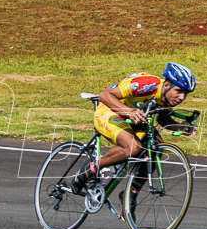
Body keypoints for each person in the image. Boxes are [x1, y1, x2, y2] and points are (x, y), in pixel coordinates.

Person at [71, 62, 197, 196]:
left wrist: (180, 126)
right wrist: (129, 112)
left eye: (186, 93)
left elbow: (163, 119)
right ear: (167, 85)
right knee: (133, 147)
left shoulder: (166, 97)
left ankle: (130, 195)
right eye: (179, 91)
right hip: (109, 111)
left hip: (134, 118)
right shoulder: (148, 84)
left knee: (156, 148)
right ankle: (90, 168)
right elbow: (105, 96)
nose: (182, 97)